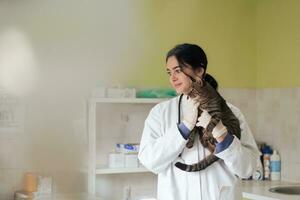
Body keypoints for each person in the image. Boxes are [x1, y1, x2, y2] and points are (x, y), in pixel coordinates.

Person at [138, 43, 261, 200]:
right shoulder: (160, 113)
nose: (172, 78)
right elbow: (149, 161)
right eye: (169, 72)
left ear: (199, 71)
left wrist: (224, 137)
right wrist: (183, 128)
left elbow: (249, 169)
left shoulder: (232, 113)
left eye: (178, 70)